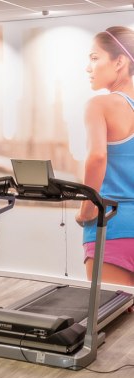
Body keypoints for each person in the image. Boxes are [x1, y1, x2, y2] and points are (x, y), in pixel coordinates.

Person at [76, 26, 134, 286]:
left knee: (108, 320)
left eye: (95, 57)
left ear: (119, 61)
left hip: (112, 227)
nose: (88, 67)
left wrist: (86, 210)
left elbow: (97, 157)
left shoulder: (99, 105)